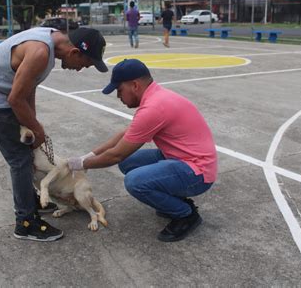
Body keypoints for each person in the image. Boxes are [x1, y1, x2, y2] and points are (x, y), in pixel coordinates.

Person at [0, 27, 107, 242]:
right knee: (21, 160)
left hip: (0, 98)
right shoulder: (40, 52)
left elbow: (28, 90)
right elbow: (15, 99)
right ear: (74, 53)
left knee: (26, 154)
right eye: (85, 64)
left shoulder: (49, 40)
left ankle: (31, 203)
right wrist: (38, 129)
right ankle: (26, 223)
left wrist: (33, 123)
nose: (80, 69)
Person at [67, 59, 217, 242]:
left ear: (135, 85)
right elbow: (124, 135)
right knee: (129, 163)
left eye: (119, 90)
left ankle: (186, 214)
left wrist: (80, 165)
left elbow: (116, 154)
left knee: (135, 181)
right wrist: (87, 157)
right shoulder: (157, 97)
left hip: (198, 172)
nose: (118, 96)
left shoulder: (154, 108)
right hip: (182, 158)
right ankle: (175, 199)